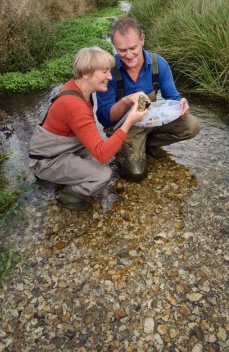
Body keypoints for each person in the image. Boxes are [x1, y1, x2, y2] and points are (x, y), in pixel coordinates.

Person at [29, 46, 148, 211]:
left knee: (100, 161)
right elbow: (103, 153)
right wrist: (129, 121)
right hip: (47, 161)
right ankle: (68, 196)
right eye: (105, 71)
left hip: (63, 151)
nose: (110, 76)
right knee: (103, 175)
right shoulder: (74, 104)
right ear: (85, 73)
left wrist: (127, 99)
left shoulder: (80, 89)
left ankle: (67, 179)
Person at [96, 16, 201, 182]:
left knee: (192, 125)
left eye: (133, 48)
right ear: (114, 46)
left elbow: (172, 97)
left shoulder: (159, 64)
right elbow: (104, 119)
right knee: (136, 174)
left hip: (151, 121)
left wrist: (181, 104)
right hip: (124, 129)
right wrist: (126, 100)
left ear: (142, 39)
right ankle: (127, 147)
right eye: (122, 50)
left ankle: (147, 143)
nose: (129, 55)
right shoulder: (107, 70)